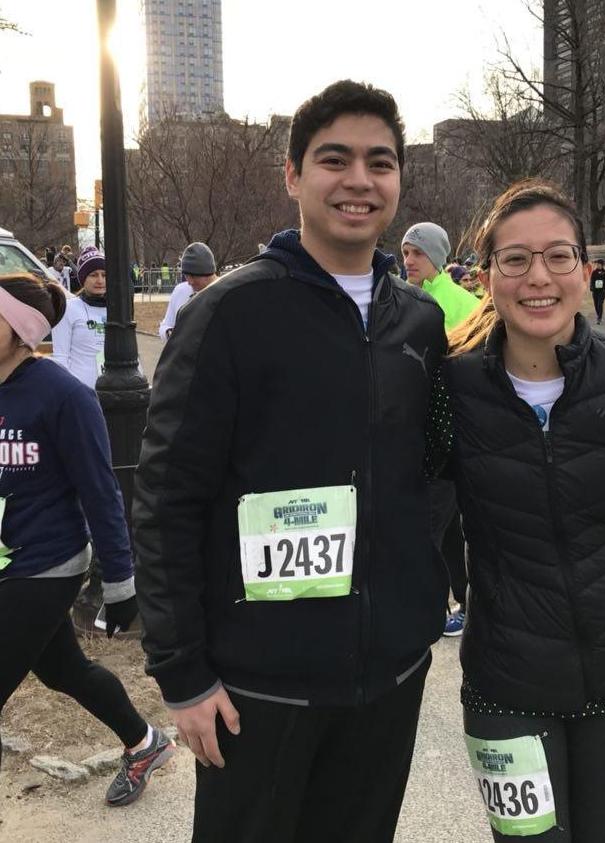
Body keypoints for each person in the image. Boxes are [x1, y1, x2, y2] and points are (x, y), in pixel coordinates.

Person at [133, 80, 448, 843]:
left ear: (399, 181)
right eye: (333, 159)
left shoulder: (421, 320)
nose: (358, 180)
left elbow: (436, 477)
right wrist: (183, 673)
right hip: (255, 687)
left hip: (389, 675)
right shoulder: (231, 314)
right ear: (292, 175)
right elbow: (167, 498)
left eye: (379, 162)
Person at [437, 179, 605, 843]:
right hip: (504, 685)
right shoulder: (449, 387)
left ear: (585, 273)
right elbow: (408, 516)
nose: (538, 277)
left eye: (557, 257)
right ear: (487, 275)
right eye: (515, 259)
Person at [0, 273, 174, 806]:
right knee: (63, 670)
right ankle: (144, 742)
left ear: (18, 330)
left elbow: (101, 492)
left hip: (47, 565)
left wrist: (120, 580)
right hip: (8, 563)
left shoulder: (64, 397)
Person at [402, 221, 481, 635]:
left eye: (416, 253)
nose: (408, 260)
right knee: (450, 533)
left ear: (435, 256)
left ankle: (430, 614)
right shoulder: (412, 299)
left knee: (428, 531)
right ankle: (467, 604)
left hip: (450, 438)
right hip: (424, 437)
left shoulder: (459, 303)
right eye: (405, 253)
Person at [50, 246, 107, 389]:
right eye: (93, 275)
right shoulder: (68, 308)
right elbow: (61, 357)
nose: (100, 280)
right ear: (83, 278)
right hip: (80, 392)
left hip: (112, 392)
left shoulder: (117, 310)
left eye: (104, 275)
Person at [158, 242, 218, 341]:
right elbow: (165, 325)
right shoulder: (180, 291)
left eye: (193, 276)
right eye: (186, 276)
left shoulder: (224, 294)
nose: (189, 282)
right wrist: (169, 333)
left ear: (208, 273)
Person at [589, 258, 605, 324]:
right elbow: (592, 281)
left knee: (599, 304)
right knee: (596, 305)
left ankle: (599, 318)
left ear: (602, 265)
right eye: (597, 264)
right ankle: (598, 315)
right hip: (595, 291)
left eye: (599, 264)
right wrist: (591, 287)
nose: (598, 265)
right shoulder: (594, 272)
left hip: (602, 291)